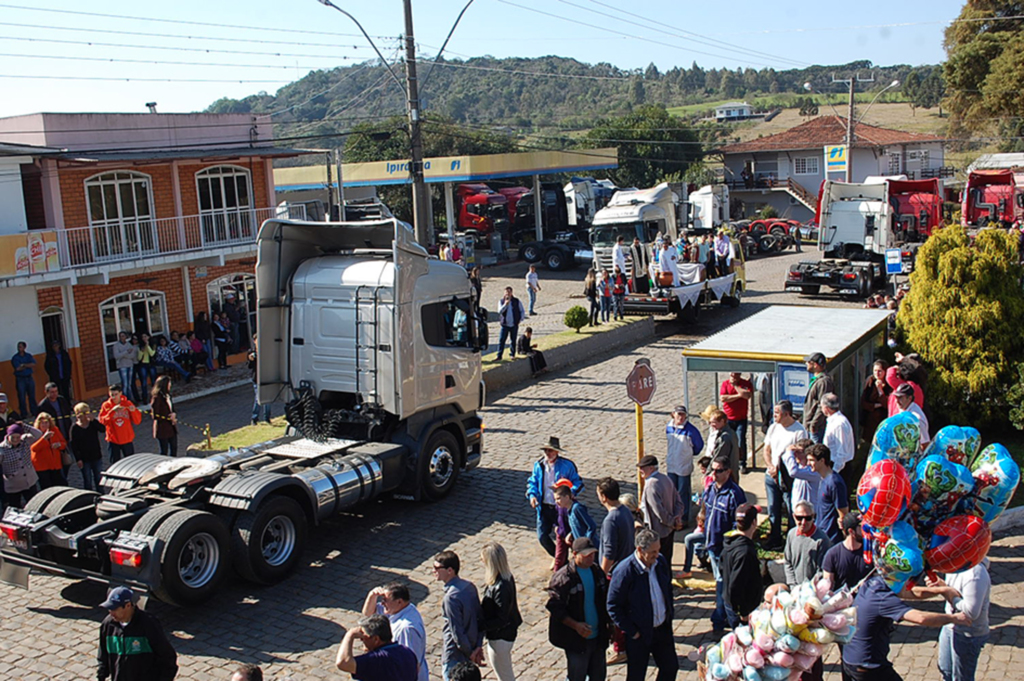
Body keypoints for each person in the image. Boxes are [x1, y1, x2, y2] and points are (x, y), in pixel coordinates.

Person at [842, 574, 971, 681]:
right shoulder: (883, 599)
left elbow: (909, 591)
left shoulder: (876, 582)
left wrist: (942, 590)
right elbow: (921, 618)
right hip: (868, 666)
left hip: (850, 658)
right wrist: (954, 618)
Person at [607, 528, 678, 681]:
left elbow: (667, 588)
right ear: (639, 550)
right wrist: (632, 632)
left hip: (662, 629)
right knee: (637, 675)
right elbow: (613, 605)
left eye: (658, 550)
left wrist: (668, 614)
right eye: (653, 551)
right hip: (639, 634)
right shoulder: (625, 571)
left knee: (670, 667)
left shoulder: (660, 562)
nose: (657, 554)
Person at [547, 537, 611, 681]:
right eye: (586, 555)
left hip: (598, 637)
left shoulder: (597, 572)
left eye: (593, 554)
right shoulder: (564, 578)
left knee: (598, 676)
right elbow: (556, 608)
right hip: (576, 641)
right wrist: (576, 625)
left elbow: (605, 599)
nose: (591, 558)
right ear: (575, 554)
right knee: (576, 676)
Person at [97, 586, 178, 681]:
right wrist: (101, 676)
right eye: (109, 609)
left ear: (128, 605)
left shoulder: (148, 624)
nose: (111, 613)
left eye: (114, 609)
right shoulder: (108, 625)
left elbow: (167, 657)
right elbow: (103, 655)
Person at [703, 455, 746, 633]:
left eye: (719, 470)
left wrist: (731, 546)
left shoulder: (734, 494)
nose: (714, 474)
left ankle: (722, 619)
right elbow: (705, 509)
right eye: (712, 470)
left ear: (728, 472)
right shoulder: (711, 489)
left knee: (723, 586)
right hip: (712, 545)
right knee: (720, 584)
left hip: (725, 549)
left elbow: (739, 525)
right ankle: (724, 618)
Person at [526, 436, 583, 557]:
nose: (548, 453)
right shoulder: (539, 465)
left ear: (557, 451)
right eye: (546, 450)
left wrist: (570, 493)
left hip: (561, 508)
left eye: (550, 450)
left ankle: (574, 558)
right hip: (544, 507)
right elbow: (533, 482)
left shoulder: (567, 466)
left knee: (566, 535)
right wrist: (532, 496)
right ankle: (557, 557)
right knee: (542, 536)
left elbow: (578, 483)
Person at [935, 560, 991, 681]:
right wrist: (942, 586)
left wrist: (948, 593)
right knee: (945, 670)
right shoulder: (953, 564)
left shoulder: (976, 574)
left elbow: (971, 613)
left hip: (968, 634)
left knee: (962, 678)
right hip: (950, 626)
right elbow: (951, 590)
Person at [360, 582, 428, 681]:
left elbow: (410, 662)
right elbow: (368, 613)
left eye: (385, 600)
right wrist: (372, 595)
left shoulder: (406, 629)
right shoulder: (397, 609)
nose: (382, 603)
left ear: (399, 602)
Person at [763, 400, 808, 550]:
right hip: (771, 475)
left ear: (787, 414)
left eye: (777, 413)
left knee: (791, 509)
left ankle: (791, 542)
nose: (774, 415)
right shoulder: (773, 427)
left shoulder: (799, 431)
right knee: (772, 509)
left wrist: (781, 469)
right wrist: (770, 466)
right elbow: (766, 449)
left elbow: (799, 456)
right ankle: (774, 538)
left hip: (788, 478)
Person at [433, 550, 484, 680]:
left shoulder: (451, 598)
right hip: (471, 648)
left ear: (450, 570)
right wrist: (478, 646)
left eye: (437, 568)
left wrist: (471, 653)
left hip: (455, 655)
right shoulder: (470, 587)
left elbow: (457, 632)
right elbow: (480, 619)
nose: (434, 571)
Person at [477, 542, 521, 681]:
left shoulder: (500, 587)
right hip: (505, 634)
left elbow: (501, 619)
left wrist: (481, 625)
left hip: (500, 637)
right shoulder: (506, 577)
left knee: (505, 676)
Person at [335, 613, 417, 681]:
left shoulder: (377, 659)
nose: (361, 640)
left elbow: (343, 663)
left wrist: (349, 635)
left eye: (364, 637)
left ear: (376, 639)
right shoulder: (407, 652)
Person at [637, 454, 684, 566]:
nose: (640, 471)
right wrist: (677, 518)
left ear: (651, 468)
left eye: (642, 468)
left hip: (658, 531)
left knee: (658, 562)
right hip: (670, 530)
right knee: (667, 559)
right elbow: (679, 502)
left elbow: (659, 512)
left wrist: (672, 522)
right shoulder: (666, 479)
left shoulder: (651, 485)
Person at [722, 503, 764, 624]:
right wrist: (744, 613)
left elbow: (722, 569)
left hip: (730, 604)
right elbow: (736, 585)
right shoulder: (745, 552)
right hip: (742, 611)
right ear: (754, 522)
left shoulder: (730, 543)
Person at [664, 404, 703, 527]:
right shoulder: (669, 428)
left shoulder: (691, 430)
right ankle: (673, 515)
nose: (681, 417)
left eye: (683, 414)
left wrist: (689, 454)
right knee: (671, 491)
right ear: (673, 414)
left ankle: (684, 518)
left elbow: (699, 445)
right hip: (672, 464)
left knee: (683, 492)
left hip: (683, 466)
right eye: (678, 414)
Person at [807, 443, 849, 545]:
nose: (808, 463)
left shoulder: (834, 482)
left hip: (831, 538)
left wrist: (845, 537)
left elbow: (843, 513)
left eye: (811, 460)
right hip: (821, 532)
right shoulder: (823, 479)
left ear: (822, 461)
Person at [784, 500, 832, 587]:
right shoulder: (791, 534)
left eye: (808, 518)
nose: (803, 522)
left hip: (813, 590)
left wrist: (809, 589)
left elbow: (822, 570)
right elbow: (788, 562)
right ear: (794, 517)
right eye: (799, 518)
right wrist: (793, 585)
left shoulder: (822, 540)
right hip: (795, 588)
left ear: (813, 517)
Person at [822, 512, 870, 591]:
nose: (865, 531)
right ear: (851, 531)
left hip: (865, 600)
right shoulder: (832, 555)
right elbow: (827, 588)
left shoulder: (869, 552)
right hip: (841, 601)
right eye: (861, 528)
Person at [597, 477, 634, 575]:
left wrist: (602, 574)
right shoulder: (626, 510)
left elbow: (609, 552)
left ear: (604, 497)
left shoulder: (610, 520)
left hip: (615, 571)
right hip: (627, 565)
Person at [98, 384, 141, 463]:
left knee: (130, 463)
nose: (114, 397)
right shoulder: (106, 405)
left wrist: (133, 411)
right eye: (112, 395)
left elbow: (137, 421)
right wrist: (112, 411)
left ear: (120, 393)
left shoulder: (127, 404)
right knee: (115, 464)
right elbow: (102, 421)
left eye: (116, 394)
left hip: (127, 439)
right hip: (113, 440)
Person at [720, 372, 753, 473]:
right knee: (727, 440)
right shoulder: (725, 384)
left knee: (741, 440)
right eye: (732, 375)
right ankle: (728, 462)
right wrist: (739, 395)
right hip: (728, 418)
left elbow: (747, 395)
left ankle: (742, 462)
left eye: (736, 375)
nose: (734, 377)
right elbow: (723, 398)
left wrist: (735, 386)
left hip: (741, 418)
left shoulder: (745, 384)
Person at [70, 402, 106, 492]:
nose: (80, 416)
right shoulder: (75, 428)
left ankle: (101, 494)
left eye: (83, 413)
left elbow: (103, 429)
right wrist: (78, 459)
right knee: (87, 480)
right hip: (84, 459)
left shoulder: (92, 424)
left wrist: (94, 420)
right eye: (78, 413)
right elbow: (74, 445)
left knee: (99, 478)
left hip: (96, 456)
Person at [554, 483, 599, 550]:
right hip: (581, 547)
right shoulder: (568, 511)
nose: (556, 502)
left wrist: (586, 541)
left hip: (590, 548)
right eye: (555, 499)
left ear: (567, 497)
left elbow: (592, 526)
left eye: (558, 498)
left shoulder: (577, 508)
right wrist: (570, 534)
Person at [803, 353, 835, 443]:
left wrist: (814, 425)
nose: (806, 364)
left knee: (816, 453)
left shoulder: (823, 382)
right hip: (810, 426)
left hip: (817, 428)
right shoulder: (817, 380)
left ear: (815, 365)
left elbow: (823, 405)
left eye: (808, 362)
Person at [703, 406, 740, 482]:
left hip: (725, 475)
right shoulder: (731, 432)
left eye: (713, 422)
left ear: (722, 421)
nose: (711, 425)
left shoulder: (724, 438)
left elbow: (718, 457)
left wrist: (707, 473)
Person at [31, 412, 67, 489]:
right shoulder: (35, 433)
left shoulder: (55, 430)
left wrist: (59, 445)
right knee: (47, 487)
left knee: (61, 485)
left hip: (55, 465)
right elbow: (33, 448)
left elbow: (64, 443)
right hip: (42, 467)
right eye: (42, 423)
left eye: (46, 422)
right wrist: (44, 439)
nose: (45, 425)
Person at [821, 393, 855, 475]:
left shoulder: (839, 424)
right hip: (835, 464)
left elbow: (842, 452)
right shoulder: (834, 421)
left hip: (839, 468)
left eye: (821, 407)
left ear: (826, 408)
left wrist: (834, 472)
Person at [861, 360, 892, 441]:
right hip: (870, 422)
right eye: (875, 371)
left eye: (880, 371)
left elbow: (888, 404)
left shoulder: (889, 385)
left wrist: (880, 390)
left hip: (883, 421)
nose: (877, 374)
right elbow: (863, 402)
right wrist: (874, 406)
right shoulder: (870, 382)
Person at [894, 383, 931, 448]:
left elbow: (925, 443)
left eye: (900, 398)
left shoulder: (917, 419)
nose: (897, 401)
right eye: (896, 397)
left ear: (909, 398)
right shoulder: (903, 408)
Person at [150, 376, 178, 458]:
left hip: (171, 427)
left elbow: (172, 408)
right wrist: (168, 417)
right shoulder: (157, 398)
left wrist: (174, 414)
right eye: (169, 383)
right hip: (162, 428)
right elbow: (155, 415)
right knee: (164, 450)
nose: (170, 385)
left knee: (174, 447)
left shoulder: (168, 396)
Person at [496, 287, 525, 361]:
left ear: (512, 293)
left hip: (514, 324)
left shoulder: (516, 301)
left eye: (509, 292)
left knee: (513, 340)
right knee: (501, 340)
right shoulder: (501, 301)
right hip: (505, 325)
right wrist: (505, 304)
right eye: (506, 293)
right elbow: (500, 311)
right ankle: (499, 355)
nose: (507, 294)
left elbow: (522, 310)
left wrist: (520, 319)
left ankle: (512, 354)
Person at [248, 335, 272, 425]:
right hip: (256, 378)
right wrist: (251, 358)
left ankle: (267, 417)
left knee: (268, 398)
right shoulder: (252, 352)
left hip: (266, 377)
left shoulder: (266, 351)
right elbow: (249, 365)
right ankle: (254, 418)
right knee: (259, 397)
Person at [11, 341, 37, 418]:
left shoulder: (28, 356)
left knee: (32, 396)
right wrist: (27, 365)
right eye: (18, 347)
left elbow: (34, 364)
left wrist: (24, 365)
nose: (19, 348)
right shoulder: (15, 358)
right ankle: (24, 414)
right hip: (20, 379)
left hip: (29, 377)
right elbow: (18, 368)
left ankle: (34, 412)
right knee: (22, 397)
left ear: (24, 347)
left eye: (20, 347)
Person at [136, 333, 157, 398]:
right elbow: (139, 358)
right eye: (143, 337)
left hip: (151, 364)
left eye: (145, 337)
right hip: (143, 365)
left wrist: (147, 346)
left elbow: (152, 354)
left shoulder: (153, 344)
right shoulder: (140, 346)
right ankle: (144, 397)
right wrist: (141, 351)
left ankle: (154, 395)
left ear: (148, 337)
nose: (144, 338)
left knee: (153, 381)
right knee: (144, 382)